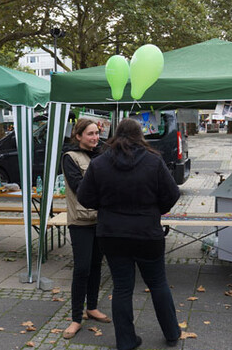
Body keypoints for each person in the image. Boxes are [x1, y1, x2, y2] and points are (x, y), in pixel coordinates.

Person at [78, 118, 181, 350]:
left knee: (122, 287)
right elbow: (172, 194)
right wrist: (156, 210)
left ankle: (125, 341)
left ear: (116, 135)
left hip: (112, 235)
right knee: (158, 283)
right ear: (139, 136)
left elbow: (84, 197)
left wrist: (104, 206)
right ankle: (172, 332)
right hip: (147, 234)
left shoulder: (99, 163)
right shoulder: (153, 161)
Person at [60, 118, 111, 339]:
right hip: (80, 220)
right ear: (78, 136)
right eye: (90, 134)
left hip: (100, 219)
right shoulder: (70, 157)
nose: (95, 137)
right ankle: (75, 318)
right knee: (81, 268)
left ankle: (92, 307)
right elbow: (79, 187)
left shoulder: (102, 155)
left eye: (96, 133)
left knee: (96, 265)